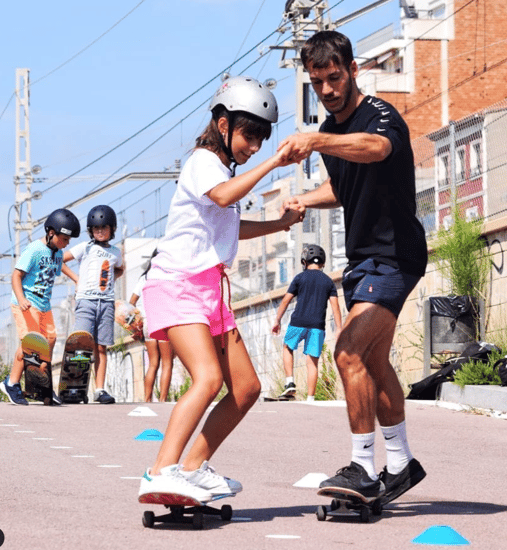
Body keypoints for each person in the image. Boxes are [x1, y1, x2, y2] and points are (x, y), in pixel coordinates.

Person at [138, 76, 303, 505]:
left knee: (246, 388)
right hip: (177, 284)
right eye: (250, 136)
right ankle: (159, 472)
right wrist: (273, 166)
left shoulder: (224, 172)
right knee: (208, 379)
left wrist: (280, 224)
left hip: (210, 290)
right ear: (223, 124)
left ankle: (191, 468)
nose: (255, 147)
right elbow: (224, 194)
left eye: (262, 140)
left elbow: (230, 226)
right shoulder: (202, 163)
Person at [280, 30, 428, 506]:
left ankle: (363, 467)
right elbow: (345, 189)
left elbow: (376, 149)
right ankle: (401, 462)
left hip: (394, 257)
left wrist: (320, 137)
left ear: (353, 70)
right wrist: (305, 199)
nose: (327, 89)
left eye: (335, 77)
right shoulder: (332, 135)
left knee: (347, 352)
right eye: (318, 81)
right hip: (362, 261)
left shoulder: (379, 116)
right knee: (373, 362)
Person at [1, 209, 81, 405]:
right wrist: (21, 299)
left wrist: (76, 278)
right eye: (64, 239)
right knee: (31, 344)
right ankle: (11, 383)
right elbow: (16, 275)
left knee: (50, 340)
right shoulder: (35, 249)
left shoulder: (58, 252)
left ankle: (42, 385)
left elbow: (60, 264)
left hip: (44, 306)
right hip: (26, 304)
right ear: (51, 233)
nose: (67, 243)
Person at [63, 205, 124, 404]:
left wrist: (110, 281)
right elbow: (60, 259)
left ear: (111, 229)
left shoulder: (116, 252)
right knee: (80, 344)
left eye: (104, 228)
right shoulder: (85, 247)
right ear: (90, 230)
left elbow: (120, 269)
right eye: (96, 228)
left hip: (106, 303)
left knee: (101, 348)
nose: (100, 231)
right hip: (86, 301)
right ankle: (75, 387)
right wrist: (75, 278)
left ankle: (99, 390)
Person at [272, 244, 342, 401]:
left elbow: (285, 301)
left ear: (305, 262)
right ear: (322, 263)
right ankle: (310, 398)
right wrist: (339, 328)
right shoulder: (328, 281)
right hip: (317, 326)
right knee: (312, 362)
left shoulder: (299, 278)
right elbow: (335, 306)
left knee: (287, 347)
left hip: (298, 322)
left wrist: (277, 320)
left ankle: (290, 382)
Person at [129, 251, 175, 402]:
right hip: (163, 322)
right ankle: (162, 400)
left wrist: (136, 324)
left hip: (147, 323)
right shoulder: (169, 276)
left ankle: (147, 400)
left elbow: (131, 303)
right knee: (167, 363)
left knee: (153, 364)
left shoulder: (144, 277)